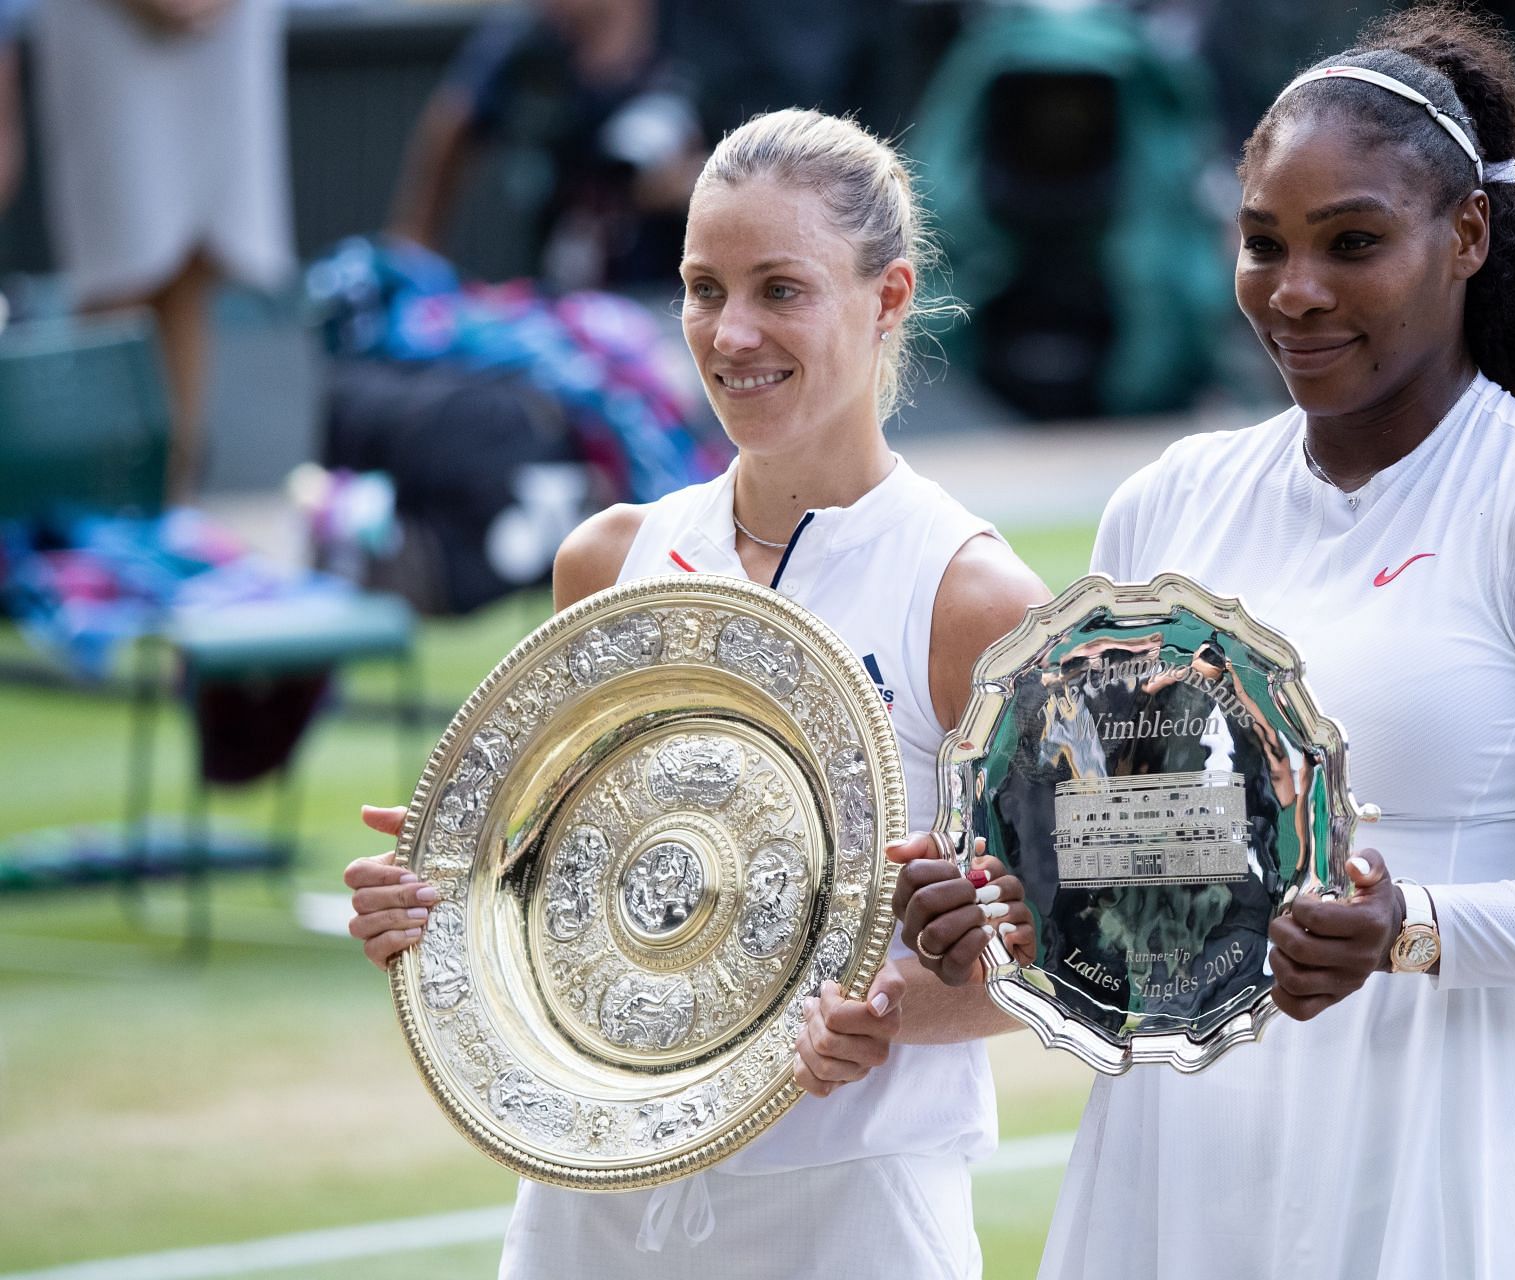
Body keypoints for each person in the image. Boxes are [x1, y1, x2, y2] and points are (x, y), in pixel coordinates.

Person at [895, 7, 1515, 1277]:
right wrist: (998, 896)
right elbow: (1125, 856)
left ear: (1466, 235)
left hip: (1456, 1163)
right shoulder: (1169, 502)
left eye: (1352, 242)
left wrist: (1414, 923)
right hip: (1180, 1166)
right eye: (1263, 244)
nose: (1295, 292)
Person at [346, 108, 1051, 1278]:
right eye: (701, 286)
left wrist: (884, 1009)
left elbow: (1051, 949)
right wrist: (435, 913)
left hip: (856, 1209)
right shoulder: (606, 562)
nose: (731, 333)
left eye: (782, 289)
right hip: (590, 1197)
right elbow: (553, 885)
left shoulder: (969, 595)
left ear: (888, 297)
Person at [32, 0, 294, 502]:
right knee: (118, 259)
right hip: (103, 19)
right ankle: (107, 507)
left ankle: (175, 499)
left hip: (227, 24)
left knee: (196, 257)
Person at [386, 0, 704, 292]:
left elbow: (749, 135)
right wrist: (415, 248)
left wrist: (699, 183)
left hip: (681, 278)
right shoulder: (527, 36)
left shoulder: (701, 25)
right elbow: (454, 119)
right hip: (566, 280)